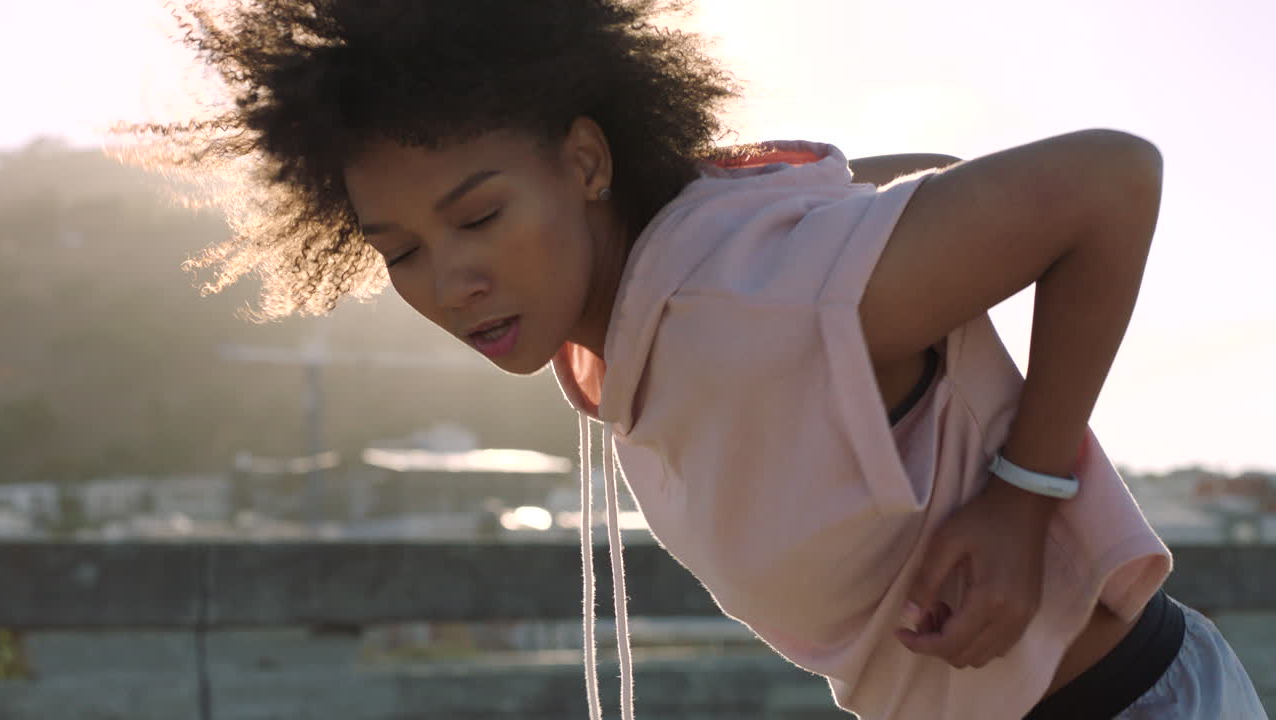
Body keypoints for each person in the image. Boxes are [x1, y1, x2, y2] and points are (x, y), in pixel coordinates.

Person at [115, 1, 1268, 718]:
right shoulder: (641, 324)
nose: (448, 281)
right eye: (400, 249)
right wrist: (823, 205)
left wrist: (1024, 496)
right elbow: (935, 176)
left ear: (583, 161)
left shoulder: (738, 293)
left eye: (478, 216)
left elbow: (1111, 179)